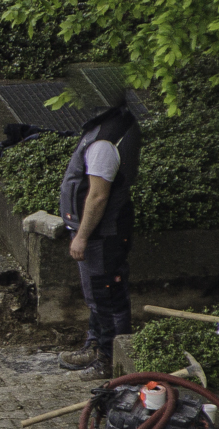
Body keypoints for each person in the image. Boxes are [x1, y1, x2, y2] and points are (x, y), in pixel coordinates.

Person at [57, 99, 142, 373]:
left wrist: (81, 236)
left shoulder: (104, 143)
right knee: (99, 295)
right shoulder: (111, 127)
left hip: (102, 235)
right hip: (105, 231)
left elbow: (97, 196)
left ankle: (109, 360)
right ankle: (95, 347)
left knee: (107, 296)